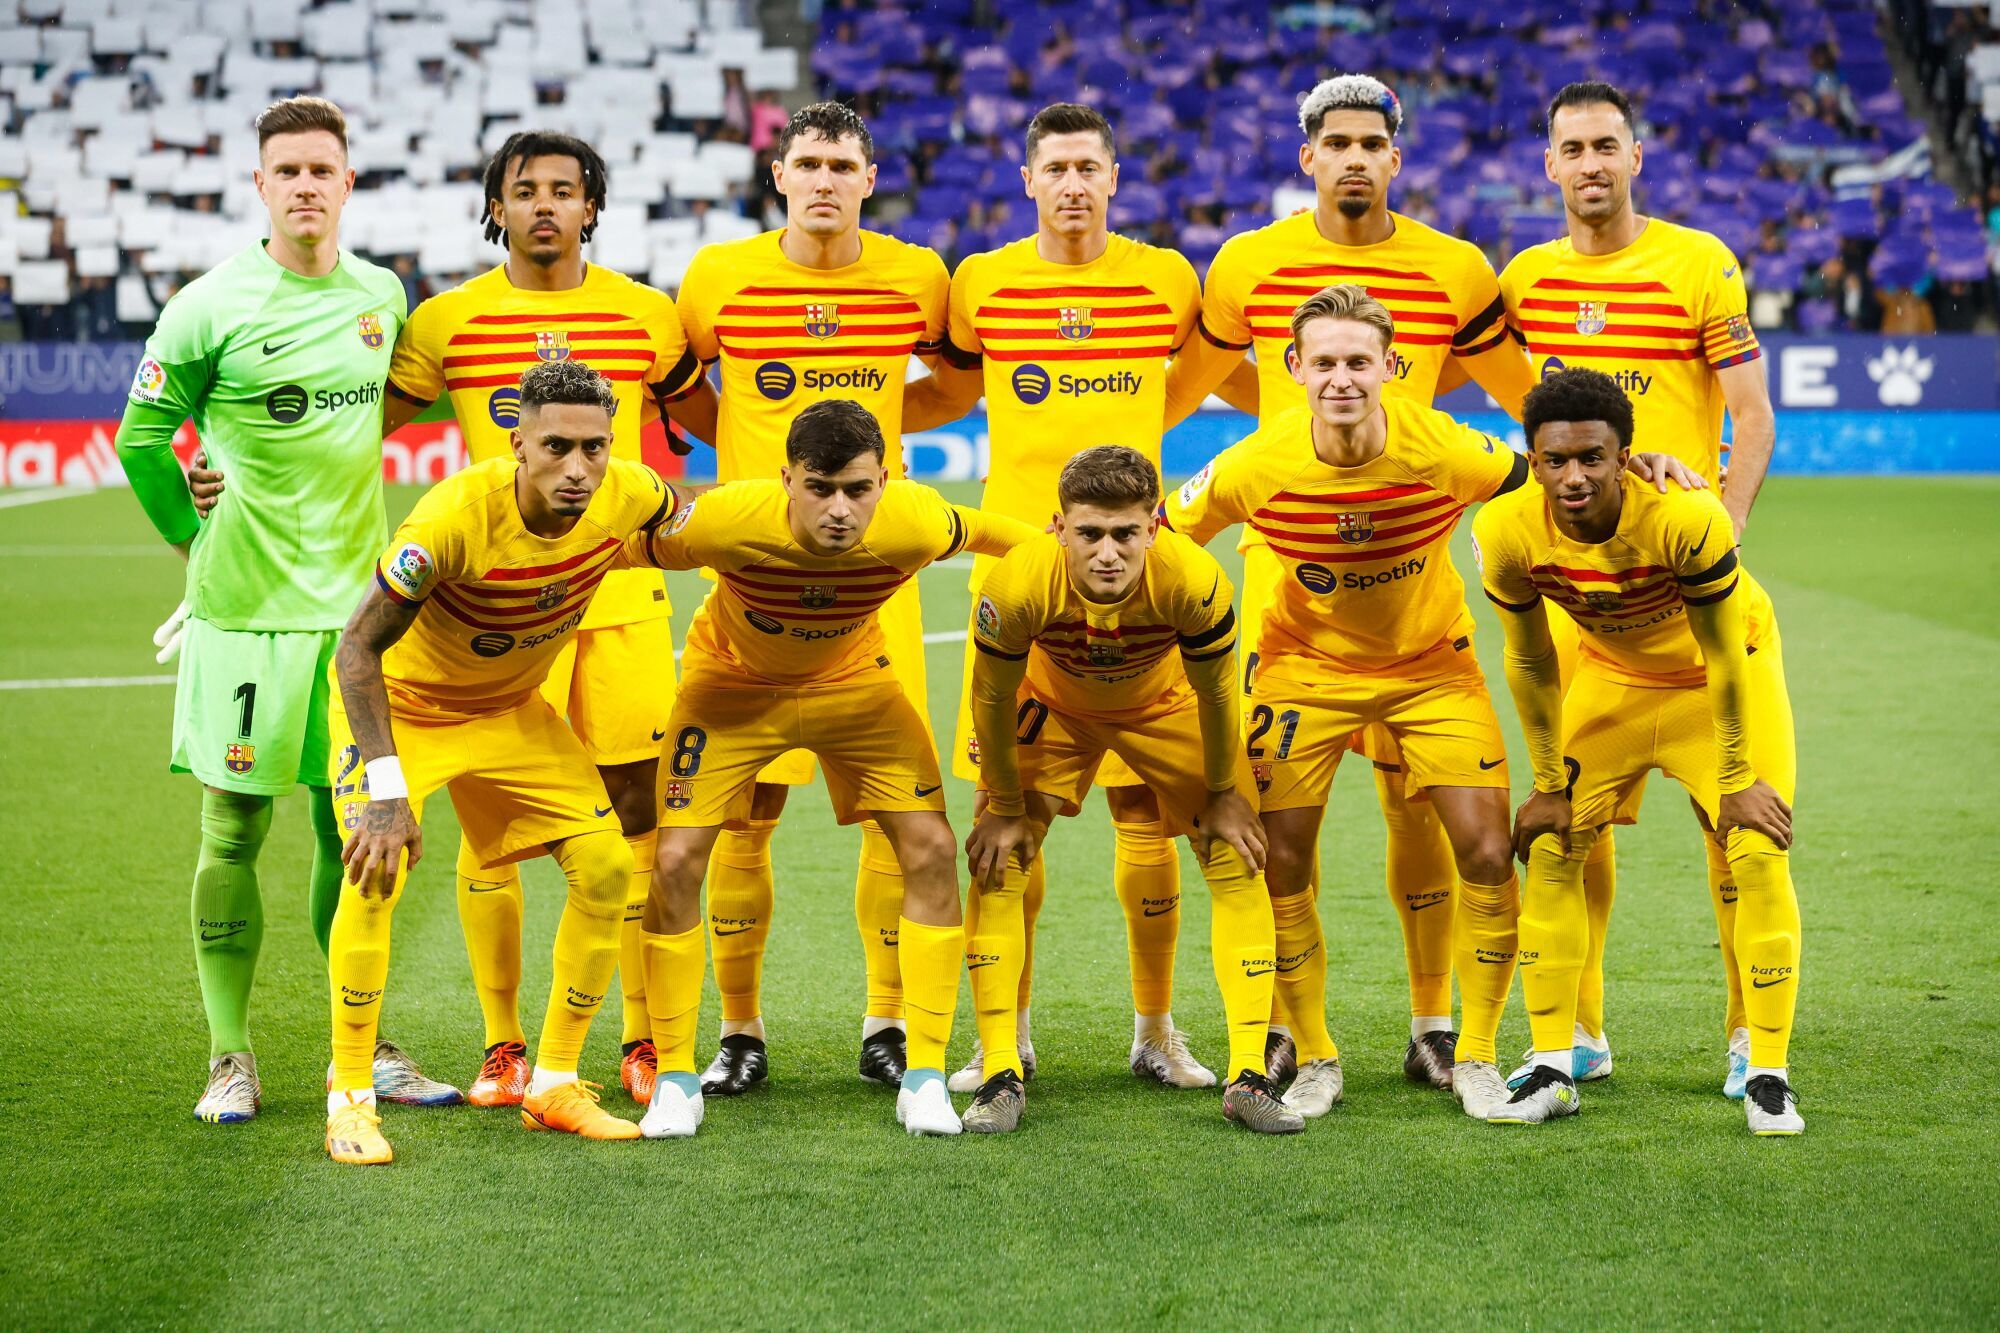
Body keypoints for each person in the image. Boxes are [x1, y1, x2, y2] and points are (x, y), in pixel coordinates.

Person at [1163, 74, 1536, 1091]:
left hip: (1421, 630)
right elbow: (1182, 397)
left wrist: (1629, 466)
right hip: (1293, 618)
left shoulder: (1454, 274)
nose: (1354, 159)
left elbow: (1533, 429)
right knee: (1284, 844)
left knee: (1430, 824)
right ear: (1308, 157)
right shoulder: (1246, 268)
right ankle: (1298, 1035)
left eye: (1372, 143)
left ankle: (1440, 1031)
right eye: (1336, 143)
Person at [114, 95, 456, 1124]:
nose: (306, 185)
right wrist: (192, 531)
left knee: (346, 828)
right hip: (243, 615)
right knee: (231, 832)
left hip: (355, 621)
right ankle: (230, 1055)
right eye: (287, 171)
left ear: (347, 183)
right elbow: (141, 436)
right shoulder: (207, 305)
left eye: (322, 169)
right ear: (260, 185)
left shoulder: (381, 297)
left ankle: (368, 1042)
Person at [902, 102, 1215, 1091]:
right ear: (1026, 180)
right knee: (1010, 818)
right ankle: (1010, 1032)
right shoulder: (980, 285)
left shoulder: (1166, 279)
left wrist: (1120, 485)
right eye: (1055, 168)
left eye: (1088, 165)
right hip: (1022, 585)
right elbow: (951, 390)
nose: (1073, 183)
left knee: (1146, 820)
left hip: (1134, 577)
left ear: (1113, 178)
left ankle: (1155, 1030)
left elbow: (1189, 381)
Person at [618, 399, 1037, 1138]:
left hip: (856, 689)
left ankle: (926, 1076)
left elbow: (1004, 534)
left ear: (886, 478)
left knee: (934, 849)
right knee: (677, 859)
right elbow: (618, 545)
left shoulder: (915, 517)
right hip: (731, 691)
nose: (841, 509)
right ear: (786, 479)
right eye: (820, 489)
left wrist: (1073, 555)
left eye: (858, 489)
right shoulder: (724, 520)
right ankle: (678, 1079)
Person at [323, 360, 678, 1164]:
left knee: (604, 864)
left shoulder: (627, 491)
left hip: (511, 710)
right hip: (404, 712)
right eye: (557, 446)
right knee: (376, 868)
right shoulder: (453, 518)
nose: (579, 468)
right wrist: (386, 791)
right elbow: (356, 650)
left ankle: (552, 1080)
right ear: (518, 441)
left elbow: (685, 519)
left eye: (596, 447)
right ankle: (349, 1096)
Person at [1500, 81, 1780, 1096]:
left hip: (1682, 578)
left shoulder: (1697, 261)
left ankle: (1752, 1033)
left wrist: (1721, 519)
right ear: (1548, 165)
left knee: (1730, 824)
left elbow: (1749, 414)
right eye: (1569, 147)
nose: (1587, 163)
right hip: (1582, 596)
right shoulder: (1524, 278)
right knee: (1574, 822)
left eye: (1604, 145)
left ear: (1634, 156)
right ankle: (1575, 1034)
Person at [673, 102, 951, 1096]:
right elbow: (681, 393)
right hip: (756, 584)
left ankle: (886, 1021)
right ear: (778, 177)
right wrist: (755, 477)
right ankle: (740, 1029)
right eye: (808, 163)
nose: (825, 178)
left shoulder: (918, 276)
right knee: (745, 814)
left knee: (896, 813)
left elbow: (954, 384)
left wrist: (887, 432)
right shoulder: (717, 279)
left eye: (843, 163)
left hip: (878, 587)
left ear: (868, 179)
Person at [1473, 368, 1802, 1135]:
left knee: (1754, 846)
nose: (1573, 476)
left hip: (1720, 677)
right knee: (1554, 845)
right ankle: (1557, 1062)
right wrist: (1550, 782)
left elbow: (1722, 657)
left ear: (1626, 456)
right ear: (1534, 457)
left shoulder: (1688, 519)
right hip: (1614, 681)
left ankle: (1768, 1072)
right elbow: (1527, 661)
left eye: (1592, 457)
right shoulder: (1506, 530)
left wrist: (1735, 781)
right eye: (1555, 460)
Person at [963, 445, 1300, 1135]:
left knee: (1236, 854)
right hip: (1055, 707)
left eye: (1125, 533)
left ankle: (1247, 1077)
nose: (1108, 552)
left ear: (1154, 526)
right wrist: (1001, 806)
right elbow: (991, 699)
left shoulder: (1195, 580)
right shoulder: (1018, 583)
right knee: (1001, 862)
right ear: (1059, 527)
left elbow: (1215, 694)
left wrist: (1221, 792)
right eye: (1090, 533)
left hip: (1163, 704)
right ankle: (1000, 1069)